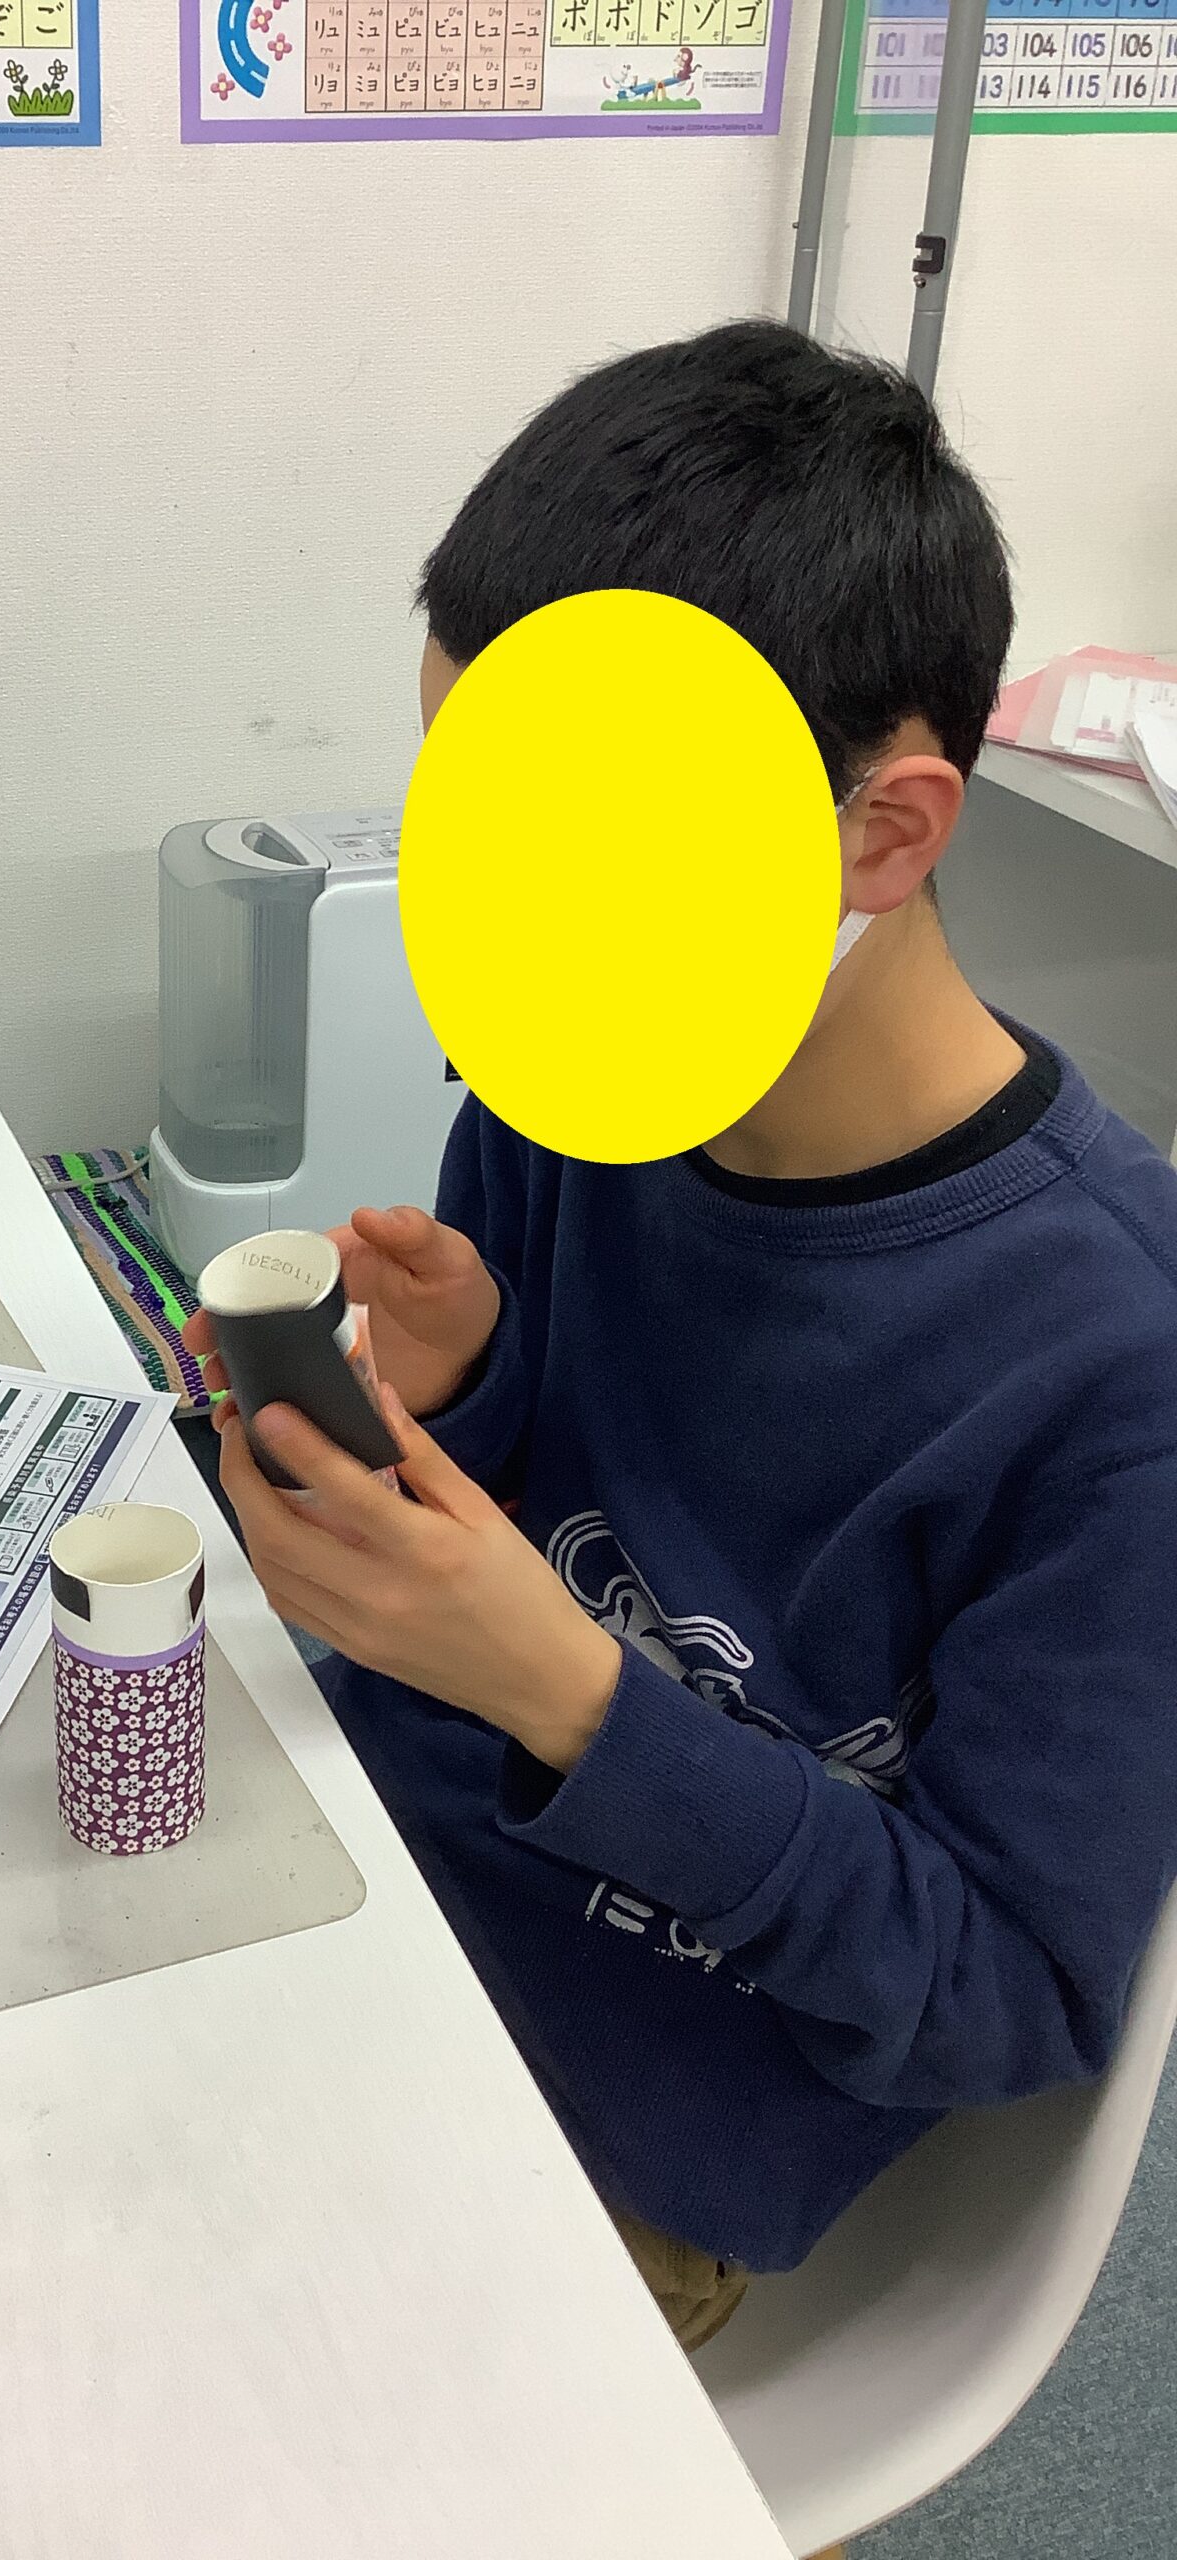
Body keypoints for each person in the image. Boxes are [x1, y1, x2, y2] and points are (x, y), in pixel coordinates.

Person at [189, 324, 1177, 2470]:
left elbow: (1006, 1992)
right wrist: (468, 1395)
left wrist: (568, 1696)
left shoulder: (1120, 1366)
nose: (511, 929)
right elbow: (556, 1518)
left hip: (622, 2111)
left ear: (882, 832)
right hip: (344, 1898)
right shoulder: (581, 1093)